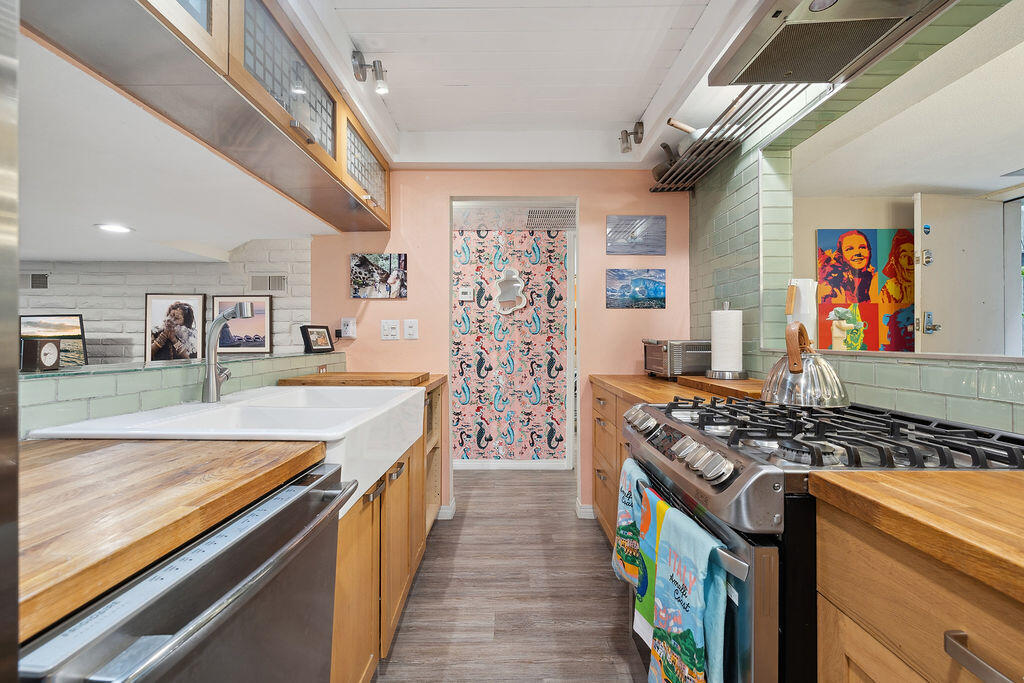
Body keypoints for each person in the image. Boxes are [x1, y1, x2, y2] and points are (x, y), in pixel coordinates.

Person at [818, 229, 878, 303]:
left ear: (869, 251)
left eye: (862, 247)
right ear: (841, 255)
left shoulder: (877, 282)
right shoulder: (831, 286)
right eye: (849, 249)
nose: (857, 253)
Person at [879, 229, 914, 304]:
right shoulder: (888, 289)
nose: (911, 262)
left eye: (913, 254)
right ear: (895, 261)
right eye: (904, 256)